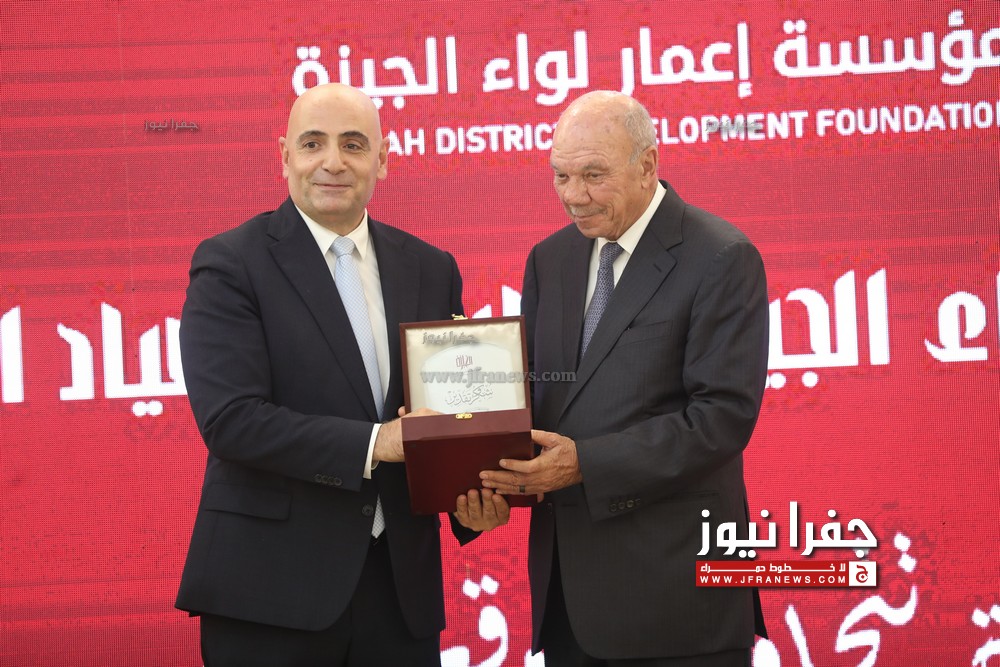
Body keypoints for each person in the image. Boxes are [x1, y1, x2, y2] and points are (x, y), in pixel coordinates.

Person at [176, 82, 508, 666]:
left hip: (399, 597)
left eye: (354, 145)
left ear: (383, 159)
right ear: (285, 156)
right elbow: (232, 421)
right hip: (272, 593)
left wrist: (469, 501)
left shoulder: (431, 268)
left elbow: (449, 409)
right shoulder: (231, 263)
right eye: (313, 144)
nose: (333, 162)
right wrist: (379, 443)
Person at [480, 90, 769, 666]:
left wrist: (585, 464)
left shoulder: (721, 256)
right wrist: (477, 474)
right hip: (570, 603)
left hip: (678, 602)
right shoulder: (549, 260)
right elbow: (536, 399)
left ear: (647, 165)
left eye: (593, 175)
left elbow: (720, 420)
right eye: (561, 176)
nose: (573, 195)